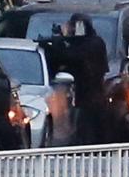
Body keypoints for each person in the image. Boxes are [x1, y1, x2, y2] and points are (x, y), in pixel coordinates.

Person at [45, 13, 109, 144]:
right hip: (90, 95)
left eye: (74, 27)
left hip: (91, 95)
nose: (72, 30)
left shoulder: (91, 44)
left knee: (87, 129)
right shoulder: (94, 42)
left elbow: (71, 56)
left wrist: (60, 42)